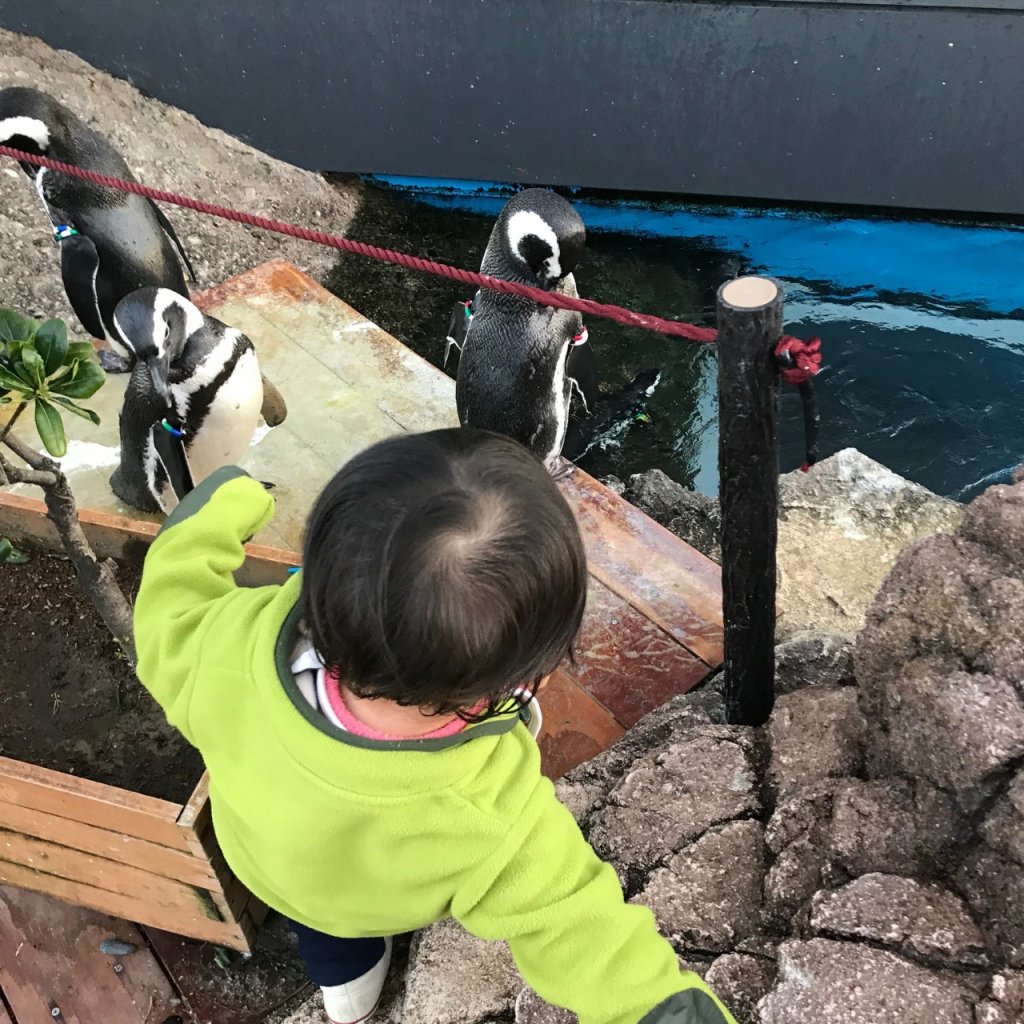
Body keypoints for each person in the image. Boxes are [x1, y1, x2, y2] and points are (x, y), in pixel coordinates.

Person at [133, 427, 737, 1024]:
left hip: (263, 862)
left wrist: (223, 502)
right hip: (377, 904)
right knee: (349, 919)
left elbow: (169, 601)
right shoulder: (489, 809)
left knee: (324, 935)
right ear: (517, 680)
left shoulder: (226, 645)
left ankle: (345, 995)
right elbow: (585, 934)